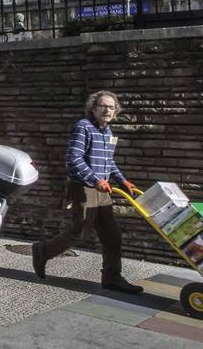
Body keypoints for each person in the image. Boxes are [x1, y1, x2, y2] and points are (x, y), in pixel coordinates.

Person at [32, 90, 143, 294]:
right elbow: (73, 159)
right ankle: (43, 250)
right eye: (103, 106)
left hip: (103, 189)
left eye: (111, 107)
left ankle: (112, 277)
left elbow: (109, 162)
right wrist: (94, 180)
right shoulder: (84, 127)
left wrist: (122, 180)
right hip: (85, 187)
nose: (107, 110)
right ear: (93, 108)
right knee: (80, 231)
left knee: (112, 235)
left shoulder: (107, 132)